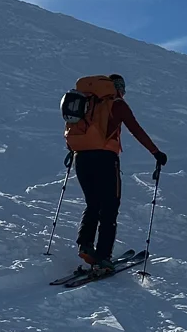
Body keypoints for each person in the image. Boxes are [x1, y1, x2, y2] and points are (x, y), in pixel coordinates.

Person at [64, 73, 166, 274]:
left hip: (81, 158)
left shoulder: (86, 103)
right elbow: (136, 129)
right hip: (105, 159)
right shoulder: (116, 104)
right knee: (110, 206)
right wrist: (156, 152)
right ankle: (103, 256)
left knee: (93, 203)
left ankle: (85, 244)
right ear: (118, 88)